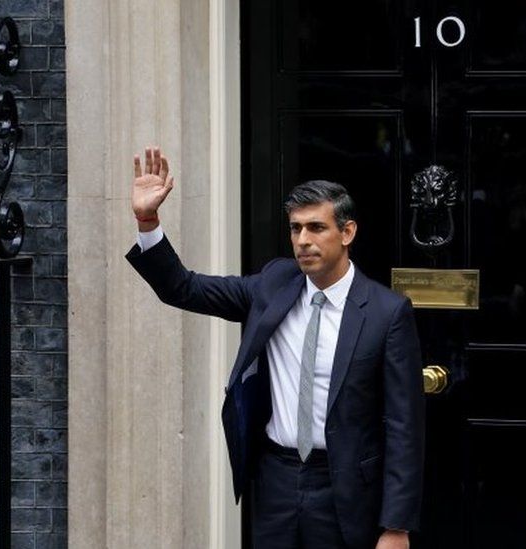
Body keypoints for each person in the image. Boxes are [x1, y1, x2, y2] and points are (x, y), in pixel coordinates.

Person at [125, 147, 425, 549]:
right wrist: (148, 221)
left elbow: (405, 427)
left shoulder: (387, 312)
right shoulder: (273, 285)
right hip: (276, 479)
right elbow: (184, 287)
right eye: (296, 229)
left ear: (347, 232)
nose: (303, 240)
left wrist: (396, 526)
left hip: (346, 486)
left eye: (316, 228)